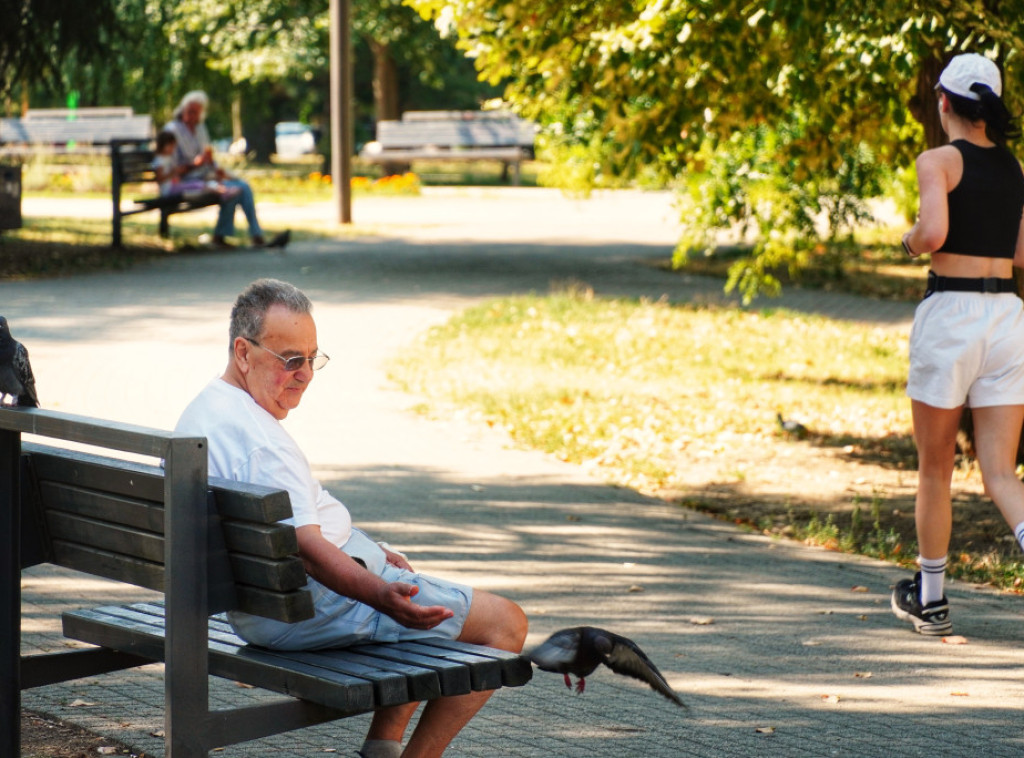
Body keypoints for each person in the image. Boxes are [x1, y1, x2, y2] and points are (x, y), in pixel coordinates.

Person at [174, 278, 528, 758]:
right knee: (504, 624)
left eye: (311, 358)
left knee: (414, 593)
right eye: (289, 360)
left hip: (259, 605)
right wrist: (381, 594)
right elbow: (311, 553)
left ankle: (381, 748)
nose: (304, 375)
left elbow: (302, 530)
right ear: (243, 351)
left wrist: (369, 553)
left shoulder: (208, 410)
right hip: (301, 610)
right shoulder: (264, 446)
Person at [893, 52, 1024, 636]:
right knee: (1000, 472)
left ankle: (932, 600)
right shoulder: (1015, 169)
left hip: (951, 313)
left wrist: (908, 242)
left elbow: (934, 233)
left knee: (935, 469)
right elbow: (1022, 256)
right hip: (1008, 317)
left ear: (942, 101)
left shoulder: (938, 160)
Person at [164, 91, 288, 250]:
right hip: (187, 180)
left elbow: (206, 156)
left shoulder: (200, 128)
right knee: (232, 190)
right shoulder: (172, 131)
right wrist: (195, 165)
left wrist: (214, 168)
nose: (192, 116)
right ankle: (223, 236)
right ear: (182, 109)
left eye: (196, 112)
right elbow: (171, 169)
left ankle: (256, 235)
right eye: (189, 111)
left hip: (205, 175)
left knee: (242, 186)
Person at [152, 129, 239, 200]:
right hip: (169, 190)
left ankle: (223, 191)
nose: (173, 149)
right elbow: (160, 179)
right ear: (164, 145)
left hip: (172, 187)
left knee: (199, 183)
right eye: (171, 146)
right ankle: (224, 193)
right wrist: (173, 173)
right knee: (198, 185)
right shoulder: (160, 160)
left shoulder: (167, 158)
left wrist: (175, 174)